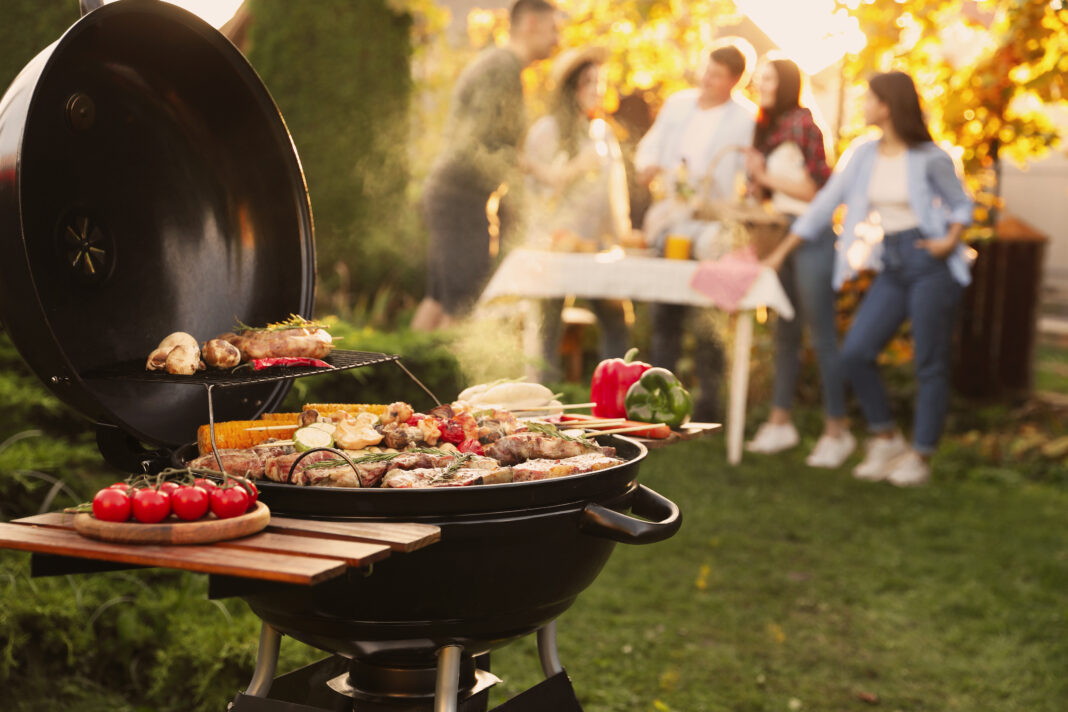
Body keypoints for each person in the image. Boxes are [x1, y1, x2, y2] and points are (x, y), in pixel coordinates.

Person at [763, 71, 973, 486]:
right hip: (892, 263)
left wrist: (949, 241)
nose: (863, 103)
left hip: (930, 265)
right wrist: (781, 252)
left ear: (887, 106)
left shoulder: (930, 157)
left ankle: (921, 455)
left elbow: (961, 204)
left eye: (869, 97)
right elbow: (824, 204)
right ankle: (887, 438)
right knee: (856, 353)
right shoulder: (863, 153)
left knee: (929, 363)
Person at [412, 0, 559, 331]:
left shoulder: (501, 66)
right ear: (531, 23)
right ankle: (444, 367)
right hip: (462, 198)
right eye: (554, 29)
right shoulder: (501, 68)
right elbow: (479, 144)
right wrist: (537, 173)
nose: (557, 39)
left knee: (439, 301)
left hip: (451, 195)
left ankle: (405, 365)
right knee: (461, 309)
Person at [742, 57, 855, 467]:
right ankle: (780, 422)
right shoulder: (769, 129)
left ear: (787, 82)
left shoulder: (804, 125)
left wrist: (764, 176)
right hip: (779, 234)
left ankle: (837, 430)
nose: (761, 84)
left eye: (769, 79)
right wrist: (756, 182)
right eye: (760, 79)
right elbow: (771, 194)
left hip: (812, 238)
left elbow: (815, 191)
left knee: (821, 334)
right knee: (785, 333)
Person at [634, 43, 756, 420]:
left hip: (712, 228)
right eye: (707, 70)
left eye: (717, 76)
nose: (707, 79)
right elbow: (651, 145)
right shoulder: (678, 105)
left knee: (708, 316)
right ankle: (657, 398)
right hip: (672, 220)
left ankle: (708, 404)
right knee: (665, 313)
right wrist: (648, 165)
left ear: (735, 81)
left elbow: (750, 176)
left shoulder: (745, 119)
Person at [523, 46, 631, 380]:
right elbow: (536, 192)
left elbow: (614, 193)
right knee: (547, 326)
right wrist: (575, 168)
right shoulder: (547, 130)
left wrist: (622, 235)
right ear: (571, 87)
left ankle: (616, 392)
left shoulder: (603, 132)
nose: (597, 90)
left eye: (601, 82)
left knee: (617, 320)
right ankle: (542, 397)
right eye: (588, 82)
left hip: (594, 247)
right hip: (555, 245)